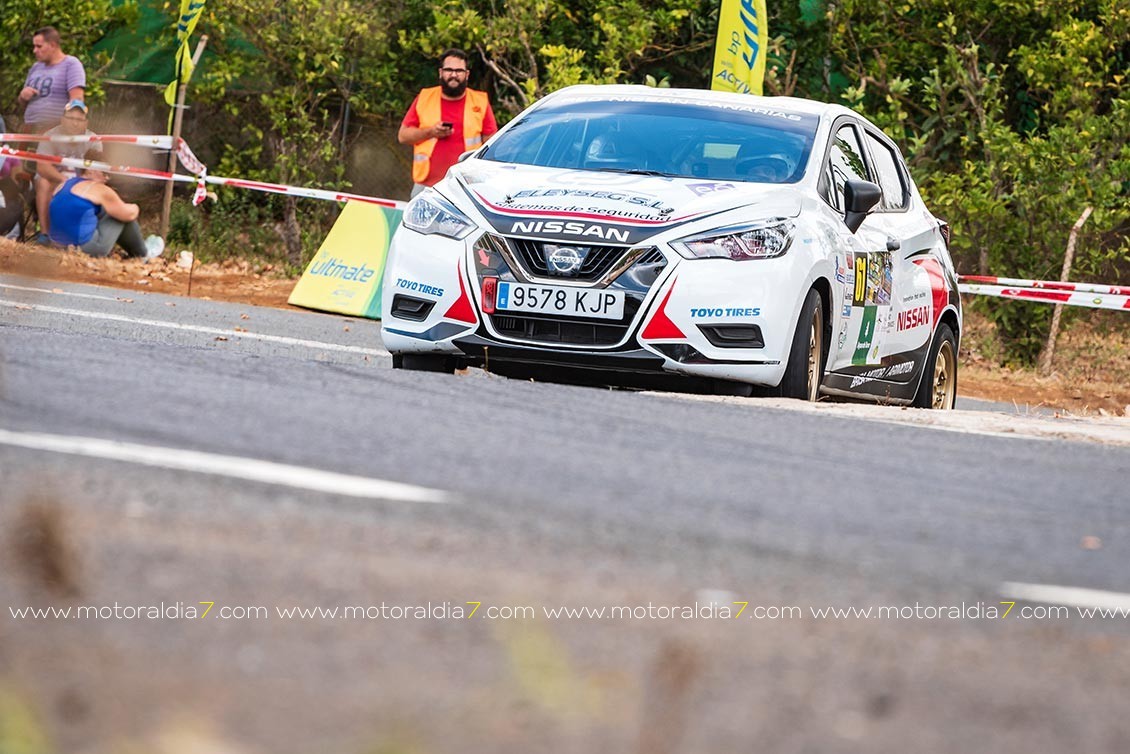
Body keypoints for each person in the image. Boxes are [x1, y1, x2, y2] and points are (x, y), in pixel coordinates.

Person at [398, 48, 497, 197]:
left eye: (459, 71)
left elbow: (492, 145)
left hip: (466, 186)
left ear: (467, 74)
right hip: (426, 186)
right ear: (440, 72)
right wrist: (431, 132)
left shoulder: (480, 101)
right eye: (449, 70)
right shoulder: (425, 97)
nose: (453, 75)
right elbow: (403, 136)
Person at [48, 149, 164, 259]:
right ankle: (143, 253)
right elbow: (129, 214)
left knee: (101, 210)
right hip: (85, 248)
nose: (107, 177)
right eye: (104, 172)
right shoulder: (99, 189)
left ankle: (140, 251)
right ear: (91, 169)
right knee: (120, 214)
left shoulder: (63, 184)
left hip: (56, 243)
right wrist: (135, 207)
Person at [35, 99, 102, 242]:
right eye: (71, 118)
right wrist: (63, 180)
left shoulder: (94, 140)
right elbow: (42, 166)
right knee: (43, 182)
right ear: (62, 119)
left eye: (79, 119)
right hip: (56, 179)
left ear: (86, 122)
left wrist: (77, 183)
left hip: (82, 183)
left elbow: (97, 170)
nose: (75, 122)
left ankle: (85, 236)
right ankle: (45, 234)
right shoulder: (50, 135)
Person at [18, 26, 87, 134]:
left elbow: (77, 99)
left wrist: (69, 128)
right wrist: (23, 96)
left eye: (39, 46)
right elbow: (22, 103)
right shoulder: (35, 67)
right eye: (34, 46)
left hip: (55, 129)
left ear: (52, 45)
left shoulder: (71, 64)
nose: (35, 51)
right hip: (30, 128)